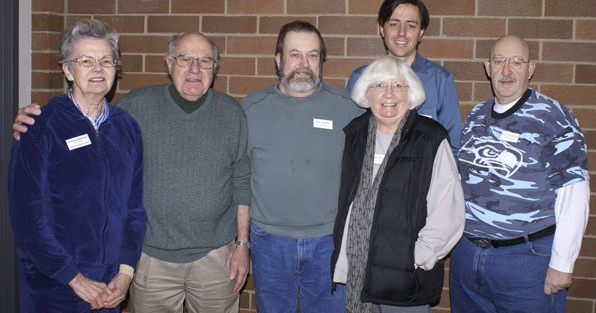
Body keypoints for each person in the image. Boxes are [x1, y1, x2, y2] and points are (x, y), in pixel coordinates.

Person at [13, 32, 251, 313]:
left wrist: (243, 244)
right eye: (185, 59)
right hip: (149, 260)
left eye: (205, 60)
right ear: (168, 64)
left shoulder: (228, 113)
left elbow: (241, 182)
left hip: (212, 259)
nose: (195, 69)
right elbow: (27, 215)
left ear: (216, 67)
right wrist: (27, 121)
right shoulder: (133, 109)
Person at [8, 19, 147, 312]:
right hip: (53, 282)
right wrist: (74, 278)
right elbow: (27, 217)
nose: (98, 68)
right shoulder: (40, 126)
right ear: (68, 70)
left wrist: (124, 275)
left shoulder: (127, 129)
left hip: (110, 283)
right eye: (86, 61)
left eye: (106, 60)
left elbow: (134, 209)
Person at [450, 35, 590, 312]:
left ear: (531, 68)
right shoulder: (477, 114)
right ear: (487, 67)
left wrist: (562, 264)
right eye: (499, 61)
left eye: (516, 62)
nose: (506, 70)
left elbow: (574, 193)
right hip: (467, 256)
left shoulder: (553, 116)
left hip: (525, 261)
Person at [242, 20, 363, 312]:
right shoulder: (251, 109)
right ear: (278, 59)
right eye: (295, 54)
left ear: (322, 60)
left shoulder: (349, 107)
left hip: (329, 242)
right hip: (269, 243)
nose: (304, 63)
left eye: (312, 55)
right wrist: (242, 243)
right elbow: (239, 180)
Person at [331, 55, 465, 313]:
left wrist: (421, 255)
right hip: (360, 270)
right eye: (379, 85)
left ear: (411, 92)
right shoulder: (354, 135)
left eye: (397, 85)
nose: (389, 93)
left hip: (406, 277)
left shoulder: (430, 138)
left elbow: (448, 205)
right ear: (366, 93)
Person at [346, 0, 461, 155]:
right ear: (381, 28)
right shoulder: (360, 78)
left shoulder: (440, 80)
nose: (402, 32)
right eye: (394, 24)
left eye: (411, 25)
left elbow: (452, 146)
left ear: (421, 32)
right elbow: (350, 141)